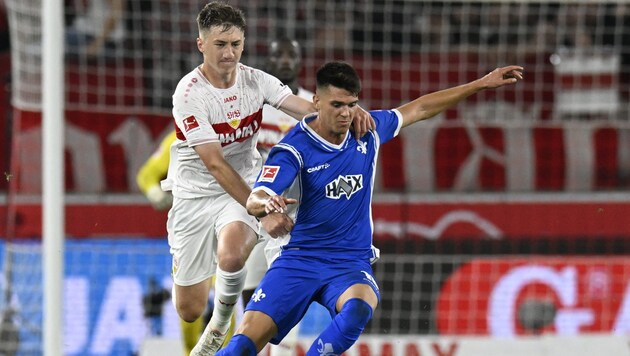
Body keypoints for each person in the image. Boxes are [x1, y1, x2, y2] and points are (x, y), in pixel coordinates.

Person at [217, 61, 523, 355]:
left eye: (351, 104)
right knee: (243, 346)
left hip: (349, 262)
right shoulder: (293, 149)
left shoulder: (368, 131)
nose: (346, 113)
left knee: (359, 307)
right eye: (336, 105)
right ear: (316, 102)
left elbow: (420, 108)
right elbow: (257, 194)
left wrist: (480, 85)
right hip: (300, 259)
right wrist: (268, 208)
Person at [161, 3, 374, 355]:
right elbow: (214, 164)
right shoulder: (188, 95)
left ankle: (221, 323)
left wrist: (345, 109)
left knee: (232, 256)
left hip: (244, 184)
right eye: (220, 45)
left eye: (235, 44)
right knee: (189, 309)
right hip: (196, 194)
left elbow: (306, 108)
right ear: (201, 44)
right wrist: (260, 208)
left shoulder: (256, 80)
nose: (229, 53)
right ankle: (209, 314)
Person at [243, 36, 313, 356]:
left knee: (287, 299)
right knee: (247, 298)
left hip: (295, 216)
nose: (285, 60)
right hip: (254, 211)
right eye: (278, 55)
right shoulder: (252, 108)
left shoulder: (312, 108)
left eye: (291, 54)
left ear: (300, 62)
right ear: (267, 62)